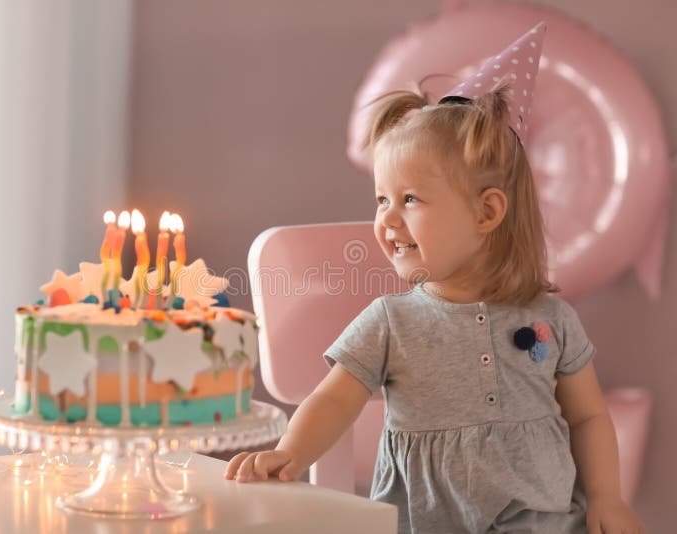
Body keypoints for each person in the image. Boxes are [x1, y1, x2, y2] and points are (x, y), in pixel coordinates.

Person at [225, 22, 644, 534]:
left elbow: (587, 418)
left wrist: (607, 499)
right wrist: (288, 455)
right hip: (425, 523)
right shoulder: (391, 321)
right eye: (382, 199)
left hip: (544, 522)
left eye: (410, 200)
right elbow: (333, 399)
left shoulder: (550, 318)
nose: (386, 219)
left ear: (487, 213)